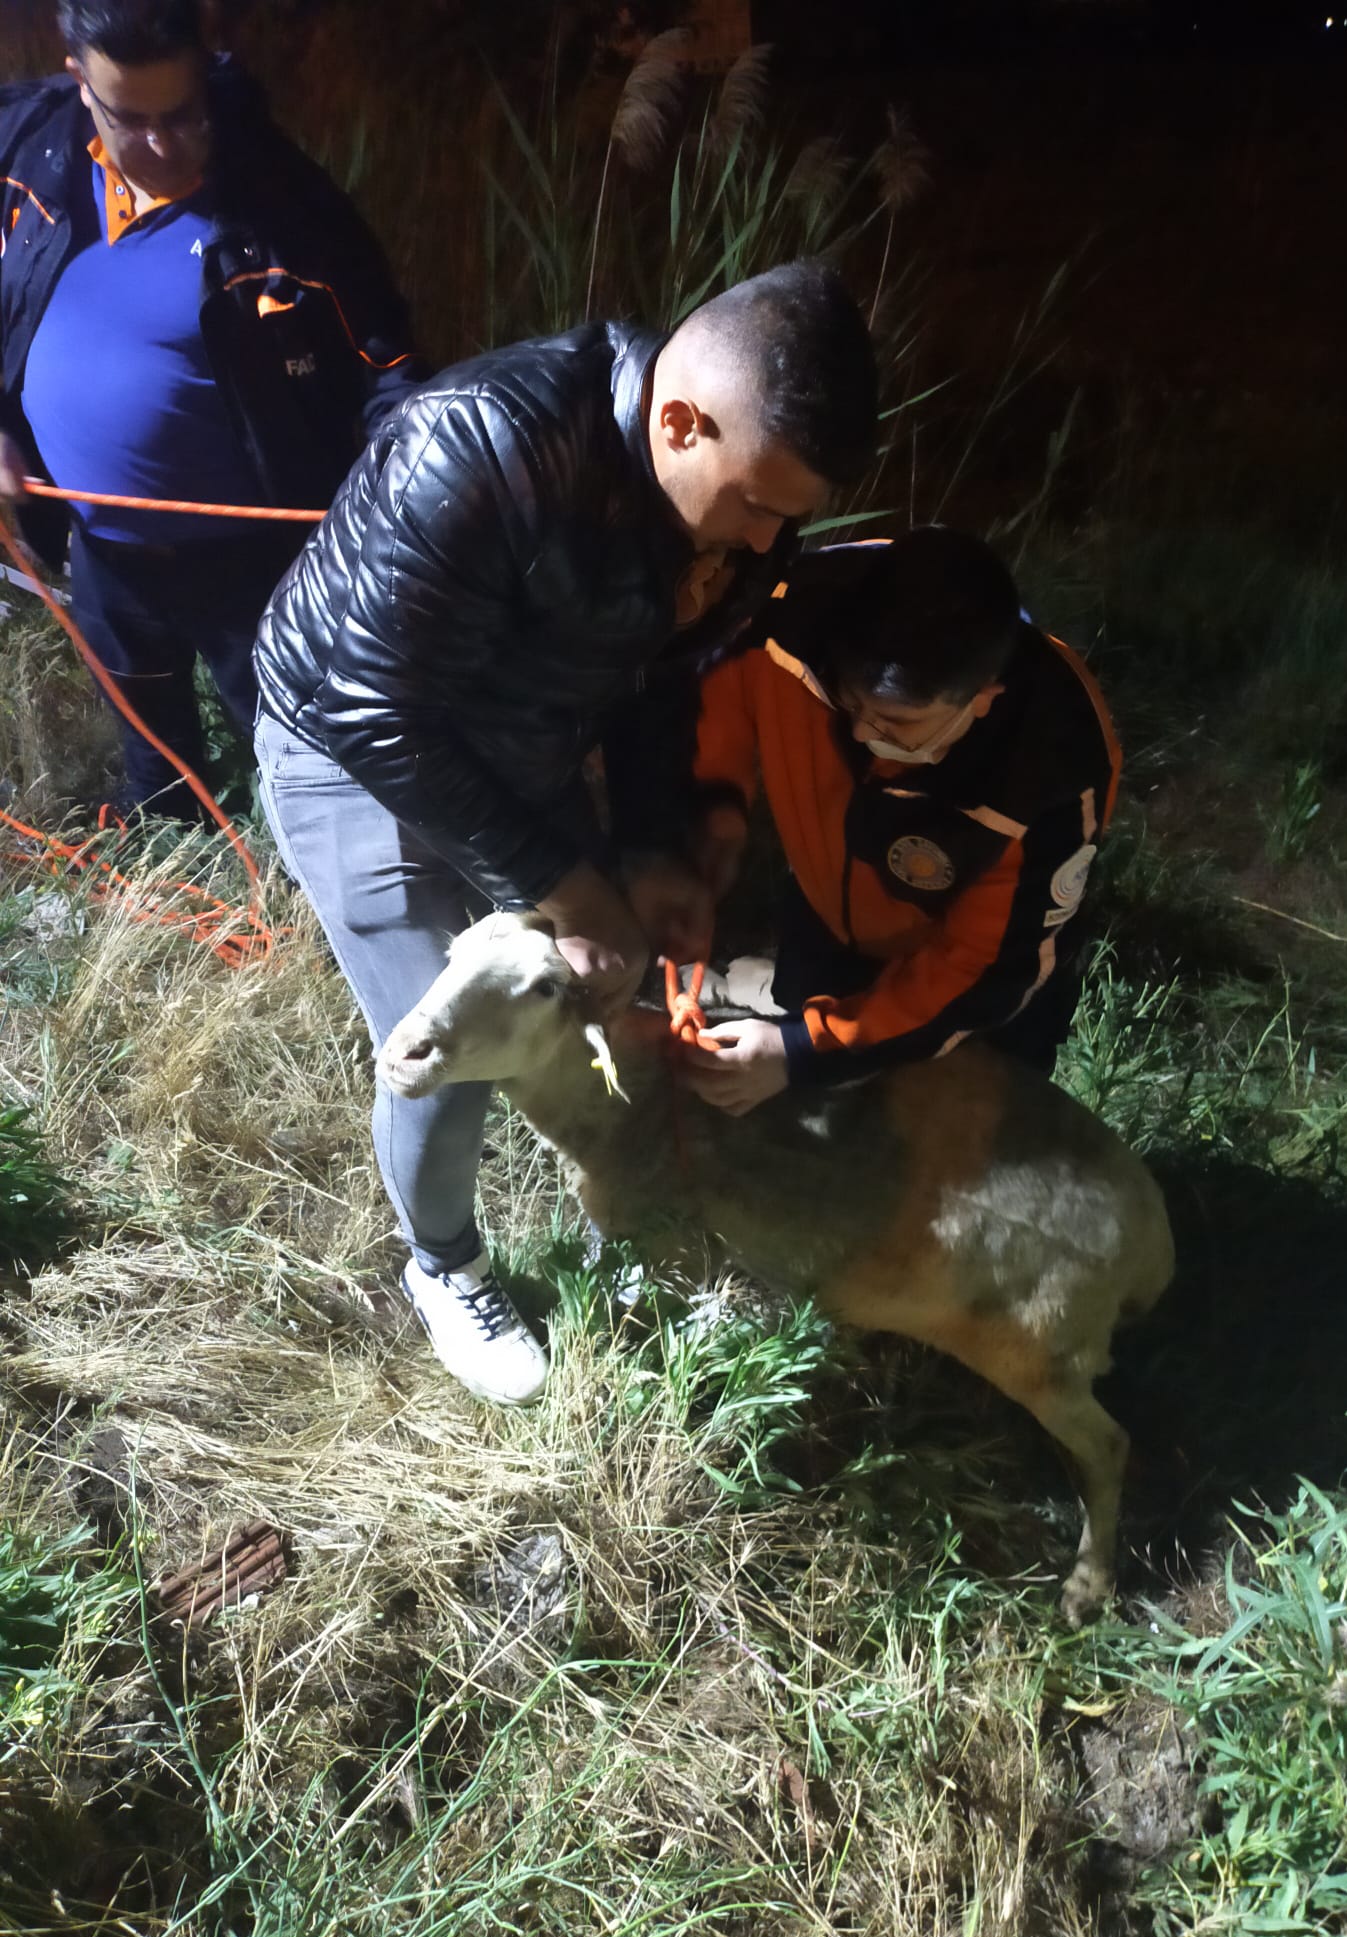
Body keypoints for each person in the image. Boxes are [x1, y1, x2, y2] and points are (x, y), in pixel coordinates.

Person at [252, 259, 880, 1408]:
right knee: (441, 1046)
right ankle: (443, 1264)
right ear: (680, 422)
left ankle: (621, 1194)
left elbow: (661, 672)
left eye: (792, 517)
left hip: (525, 731)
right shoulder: (481, 446)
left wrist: (651, 842)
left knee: (585, 975)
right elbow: (374, 708)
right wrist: (565, 885)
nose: (767, 541)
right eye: (757, 505)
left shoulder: (740, 508)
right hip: (352, 746)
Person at [0, 0, 423, 818]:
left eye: (183, 117)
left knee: (303, 754)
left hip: (254, 558)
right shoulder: (28, 150)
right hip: (101, 546)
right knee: (147, 737)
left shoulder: (284, 210)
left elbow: (388, 364)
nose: (160, 147)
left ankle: (308, 886)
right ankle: (168, 848)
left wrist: (393, 518)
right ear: (79, 84)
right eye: (131, 120)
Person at [681, 526, 1120, 1115]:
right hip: (827, 919)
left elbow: (980, 970)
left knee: (958, 1141)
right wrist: (716, 810)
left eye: (895, 723)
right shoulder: (788, 613)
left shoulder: (1051, 768)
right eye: (851, 703)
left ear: (981, 699)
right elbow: (708, 698)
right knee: (813, 1130)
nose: (864, 735)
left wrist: (804, 1052)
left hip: (970, 991)